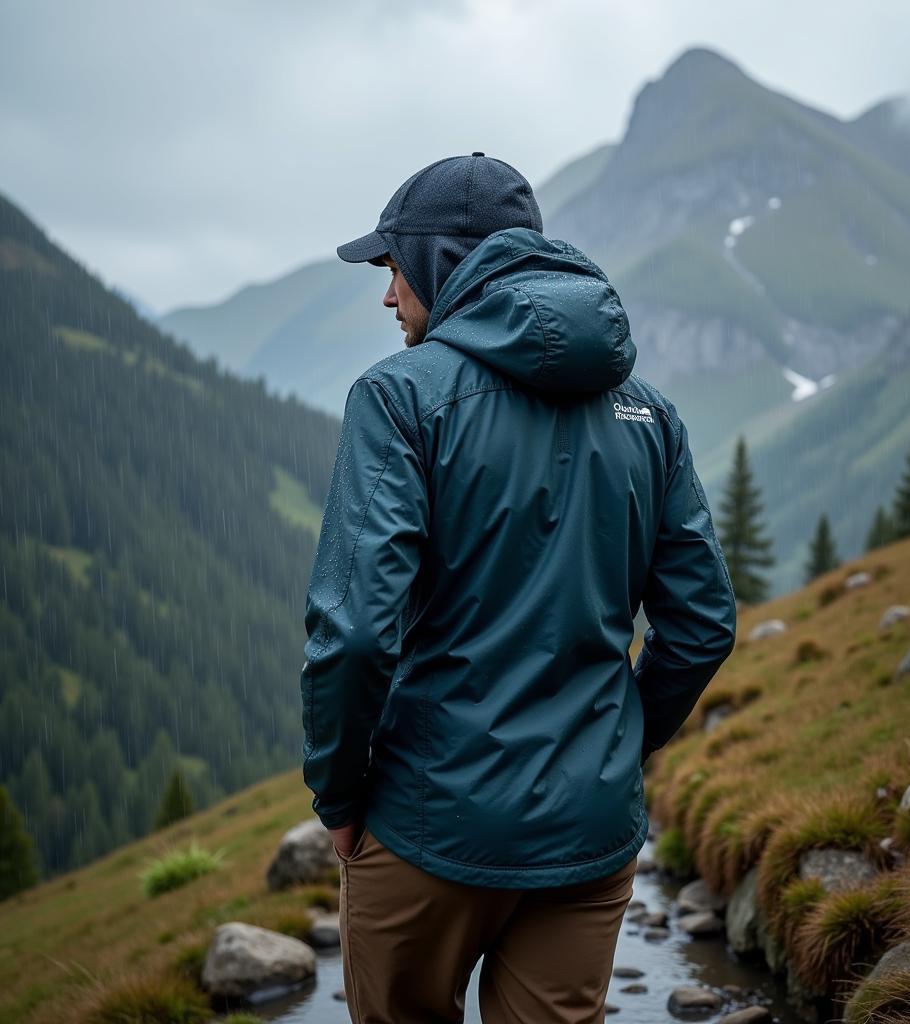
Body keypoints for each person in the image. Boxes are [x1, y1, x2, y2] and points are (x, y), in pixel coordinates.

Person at [300, 152, 737, 1023]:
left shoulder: (399, 398)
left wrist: (340, 798)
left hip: (429, 825)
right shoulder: (647, 410)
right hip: (590, 833)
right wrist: (610, 750)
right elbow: (702, 624)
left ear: (441, 262)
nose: (389, 296)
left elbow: (353, 634)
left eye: (393, 267)